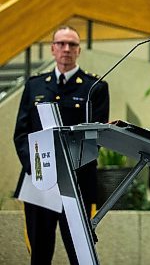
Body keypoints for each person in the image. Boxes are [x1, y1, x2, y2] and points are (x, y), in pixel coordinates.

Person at [13, 25, 110, 265]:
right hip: (39, 182)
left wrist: (67, 168)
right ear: (52, 49)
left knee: (80, 253)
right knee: (39, 252)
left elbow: (94, 138)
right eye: (61, 44)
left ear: (79, 51)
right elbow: (21, 134)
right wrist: (38, 168)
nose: (66, 49)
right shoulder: (34, 85)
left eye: (72, 45)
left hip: (77, 182)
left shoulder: (94, 87)